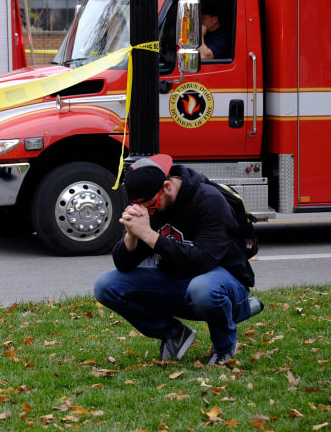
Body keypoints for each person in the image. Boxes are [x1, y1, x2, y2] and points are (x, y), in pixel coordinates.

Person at [93, 154, 261, 366]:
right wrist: (131, 235)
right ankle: (175, 335)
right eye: (141, 206)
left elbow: (203, 261)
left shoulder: (208, 200)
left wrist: (149, 235)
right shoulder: (151, 202)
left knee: (202, 289)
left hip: (224, 282)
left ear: (167, 187)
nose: (148, 212)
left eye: (150, 206)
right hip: (180, 282)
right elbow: (123, 265)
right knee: (106, 285)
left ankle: (225, 346)